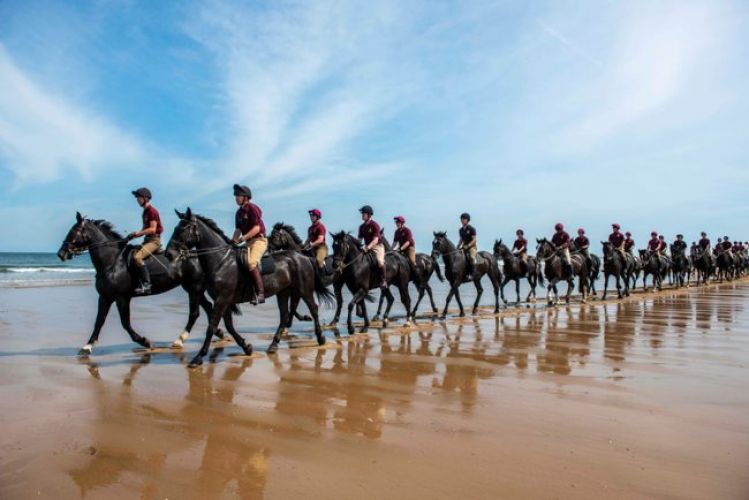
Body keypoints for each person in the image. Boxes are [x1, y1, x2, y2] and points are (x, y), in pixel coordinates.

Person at [232, 184, 267, 305]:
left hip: (258, 241)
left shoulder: (252, 208)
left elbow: (257, 228)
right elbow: (238, 230)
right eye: (235, 196)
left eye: (238, 196)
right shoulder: (238, 213)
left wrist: (242, 239)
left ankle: (260, 294)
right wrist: (232, 241)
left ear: (245, 197)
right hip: (248, 242)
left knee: (251, 263)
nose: (236, 198)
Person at [127, 187, 163, 295]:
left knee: (137, 257)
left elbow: (152, 229)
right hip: (147, 240)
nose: (137, 199)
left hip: (154, 241)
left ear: (145, 198)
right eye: (137, 197)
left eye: (138, 197)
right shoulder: (145, 212)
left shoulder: (152, 211)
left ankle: (147, 285)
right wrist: (133, 236)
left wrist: (138, 233)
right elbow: (144, 230)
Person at [358, 205, 386, 287]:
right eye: (362, 213)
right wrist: (358, 247)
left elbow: (375, 240)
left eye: (364, 213)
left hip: (377, 246)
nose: (362, 215)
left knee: (380, 261)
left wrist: (367, 247)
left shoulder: (375, 225)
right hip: (367, 247)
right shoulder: (361, 227)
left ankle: (384, 280)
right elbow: (359, 239)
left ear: (369, 215)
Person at [457, 213, 477, 277]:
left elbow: (474, 240)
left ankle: (473, 273)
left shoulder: (471, 229)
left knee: (471, 257)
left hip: (472, 247)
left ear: (467, 220)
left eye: (464, 219)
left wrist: (468, 246)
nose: (462, 220)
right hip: (464, 247)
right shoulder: (460, 230)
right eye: (461, 219)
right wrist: (457, 246)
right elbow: (461, 239)